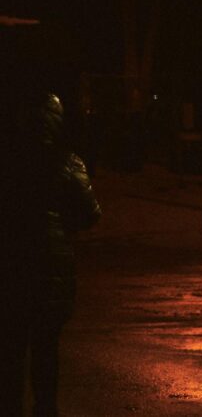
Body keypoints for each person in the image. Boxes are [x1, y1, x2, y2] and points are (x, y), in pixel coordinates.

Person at [0, 89, 102, 417]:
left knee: (11, 349)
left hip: (11, 267)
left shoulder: (8, 162)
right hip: (51, 271)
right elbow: (89, 213)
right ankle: (45, 408)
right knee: (46, 348)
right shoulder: (68, 161)